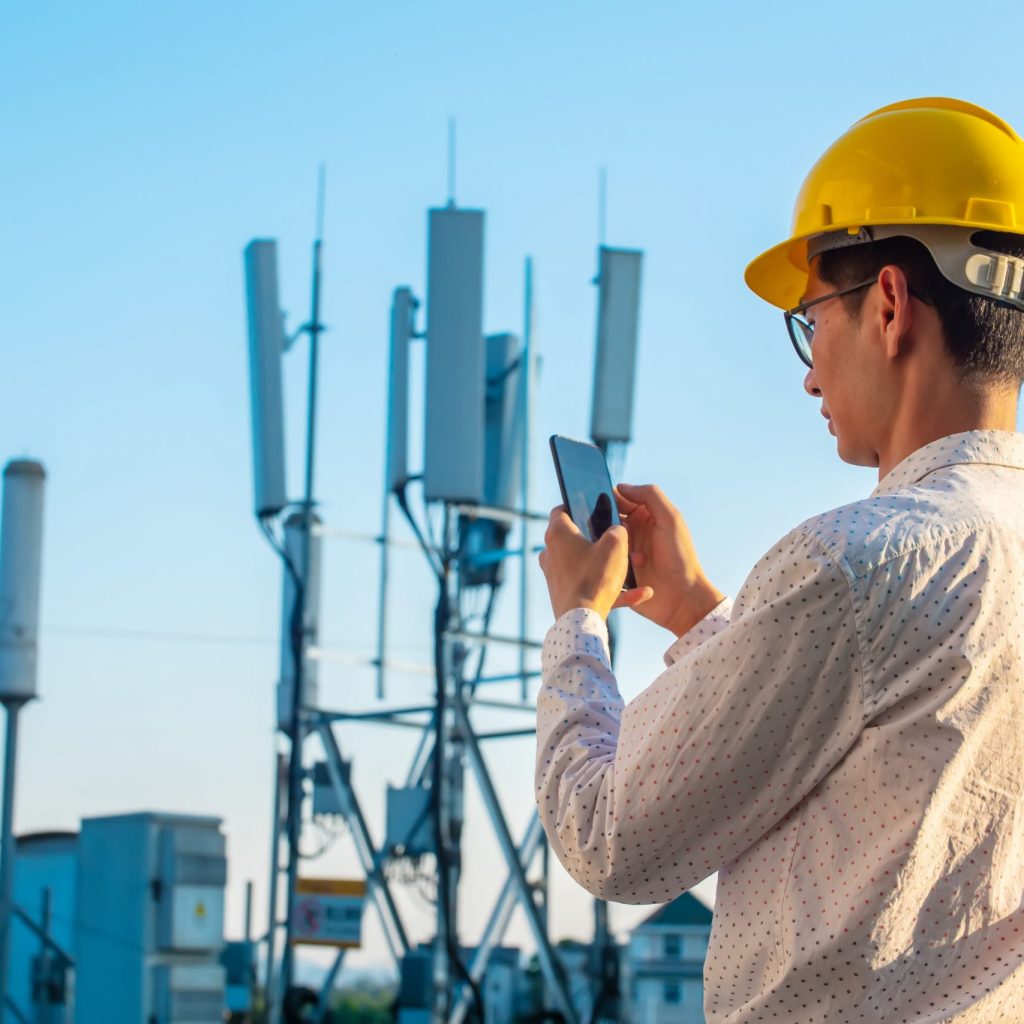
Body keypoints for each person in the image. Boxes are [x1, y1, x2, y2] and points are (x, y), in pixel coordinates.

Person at [535, 97, 1024, 1022]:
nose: (808, 371)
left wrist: (577, 624)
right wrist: (695, 612)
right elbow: (868, 723)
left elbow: (609, 838)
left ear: (888, 304)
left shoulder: (855, 564)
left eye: (811, 322)